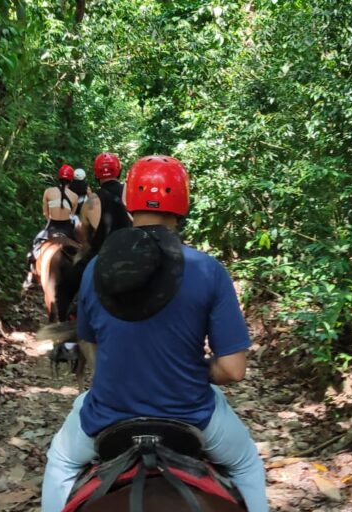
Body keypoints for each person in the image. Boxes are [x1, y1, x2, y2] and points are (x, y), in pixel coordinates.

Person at [41, 156, 268, 512]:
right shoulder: (208, 269)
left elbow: (92, 349)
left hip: (107, 414)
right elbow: (233, 370)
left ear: (130, 201)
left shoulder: (95, 269)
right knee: (247, 465)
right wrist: (193, 368)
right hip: (194, 414)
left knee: (61, 463)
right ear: (182, 203)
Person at [24, 164, 79, 288]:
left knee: (35, 245)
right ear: (71, 179)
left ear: (58, 177)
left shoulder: (48, 192)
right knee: (80, 250)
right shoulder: (74, 196)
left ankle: (30, 276)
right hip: (67, 229)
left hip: (52, 227)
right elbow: (71, 215)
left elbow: (45, 213)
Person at [77, 152, 132, 259]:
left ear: (96, 174)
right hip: (133, 255)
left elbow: (83, 236)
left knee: (75, 268)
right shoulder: (131, 192)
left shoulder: (91, 201)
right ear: (118, 171)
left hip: (103, 259)